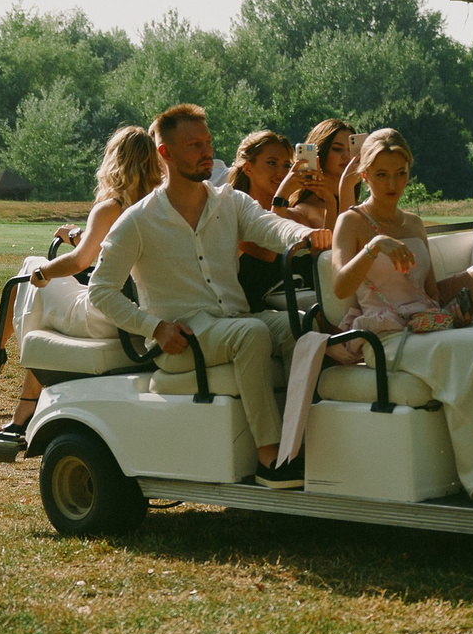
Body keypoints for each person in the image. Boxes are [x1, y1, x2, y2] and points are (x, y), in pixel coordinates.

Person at [284, 130, 473, 504]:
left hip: (424, 325)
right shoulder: (352, 222)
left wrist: (458, 306)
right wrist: (374, 247)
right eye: (381, 175)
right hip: (386, 337)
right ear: (364, 175)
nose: (392, 183)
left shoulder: (412, 223)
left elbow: (427, 292)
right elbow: (342, 286)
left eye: (400, 173)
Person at [87, 104, 319, 487]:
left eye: (207, 142)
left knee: (302, 328)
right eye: (194, 145)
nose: (206, 151)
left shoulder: (230, 202)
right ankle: (269, 458)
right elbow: (100, 290)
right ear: (165, 153)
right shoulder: (138, 220)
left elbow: (271, 227)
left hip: (233, 321)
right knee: (253, 334)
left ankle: (300, 445)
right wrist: (155, 327)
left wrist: (304, 236)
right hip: (182, 340)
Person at [0, 125, 162, 429]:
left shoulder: (111, 207)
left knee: (31, 267)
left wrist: (45, 271)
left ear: (115, 162)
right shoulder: (161, 205)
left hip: (104, 317)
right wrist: (80, 235)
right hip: (137, 316)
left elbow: (81, 262)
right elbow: (114, 249)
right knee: (39, 297)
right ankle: (18, 392)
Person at [229, 128, 326, 314]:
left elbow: (325, 258)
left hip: (307, 303)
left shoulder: (294, 214)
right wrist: (281, 196)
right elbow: (268, 254)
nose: (281, 172)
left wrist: (330, 197)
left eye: (286, 165)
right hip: (259, 312)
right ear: (247, 168)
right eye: (272, 163)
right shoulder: (236, 213)